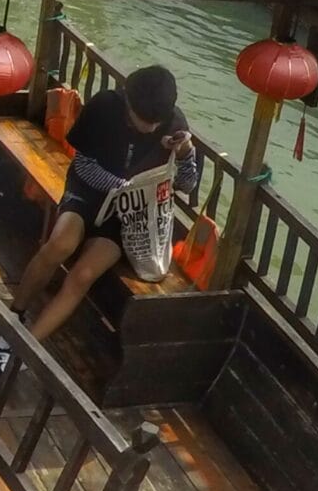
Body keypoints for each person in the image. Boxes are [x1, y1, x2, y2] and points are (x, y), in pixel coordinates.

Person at [11, 66, 199, 349]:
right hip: (87, 194)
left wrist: (185, 153)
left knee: (83, 275)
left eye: (155, 123)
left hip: (126, 218)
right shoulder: (105, 106)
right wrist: (120, 187)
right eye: (142, 120)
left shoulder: (175, 124)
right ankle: (16, 311)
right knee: (60, 245)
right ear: (128, 102)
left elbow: (186, 185)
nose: (148, 128)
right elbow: (84, 165)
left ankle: (26, 344)